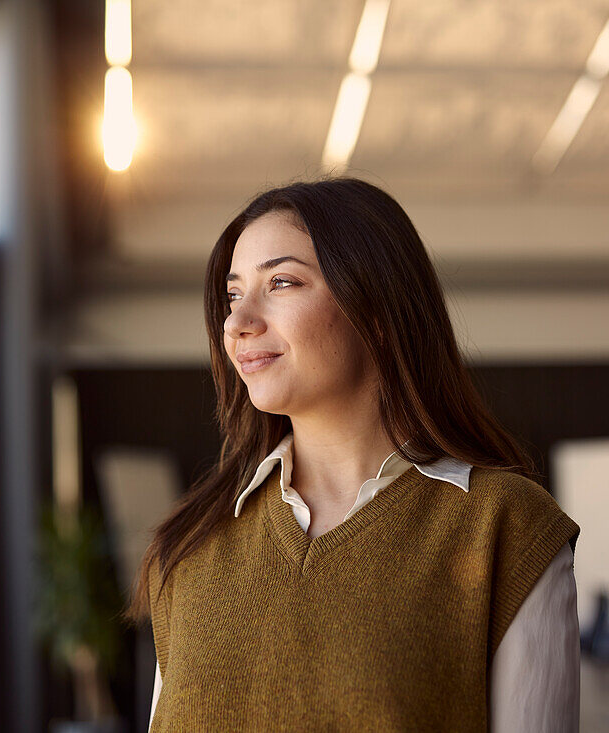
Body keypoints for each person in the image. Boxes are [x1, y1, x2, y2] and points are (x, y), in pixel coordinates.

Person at [129, 178, 581, 731]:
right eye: (232, 294)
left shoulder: (505, 527)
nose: (238, 323)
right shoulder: (191, 548)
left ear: (378, 312)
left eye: (281, 282)